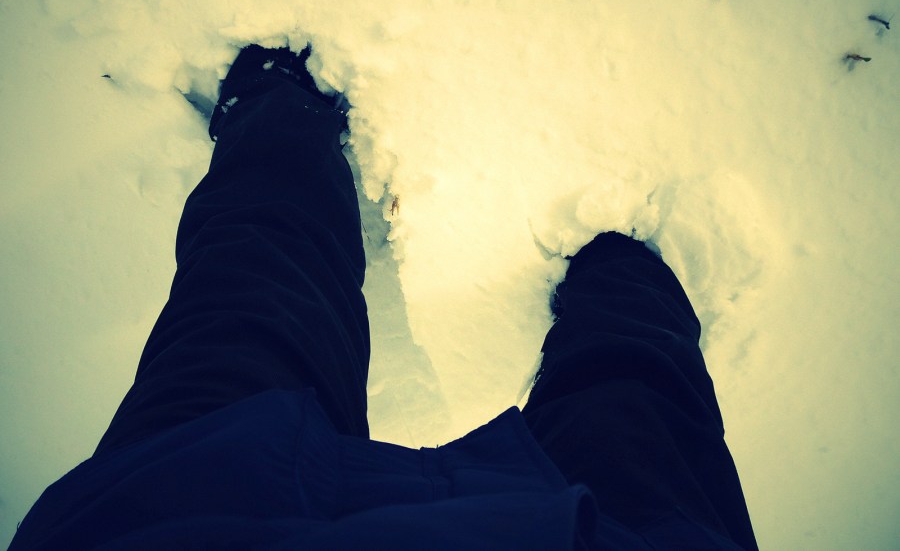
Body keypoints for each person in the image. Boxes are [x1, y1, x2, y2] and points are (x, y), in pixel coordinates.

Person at [10, 44, 758, 550]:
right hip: (588, 533)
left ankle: (282, 110)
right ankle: (618, 268)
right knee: (635, 403)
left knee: (253, 296)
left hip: (194, 510)